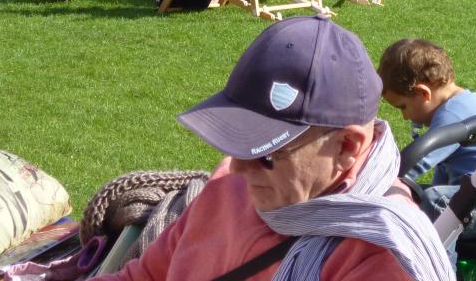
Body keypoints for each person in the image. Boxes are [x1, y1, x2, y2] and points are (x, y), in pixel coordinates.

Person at [97, 16, 452, 281]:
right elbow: (143, 276)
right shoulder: (230, 187)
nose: (235, 167)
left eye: (266, 153)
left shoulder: (380, 256)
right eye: (237, 141)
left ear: (346, 145)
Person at [378, 38, 476, 245]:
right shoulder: (454, 108)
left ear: (423, 93)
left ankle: (440, 270)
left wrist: (376, 183)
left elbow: (416, 163)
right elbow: (443, 179)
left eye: (403, 107)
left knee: (434, 203)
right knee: (415, 196)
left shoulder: (453, 115)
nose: (405, 117)